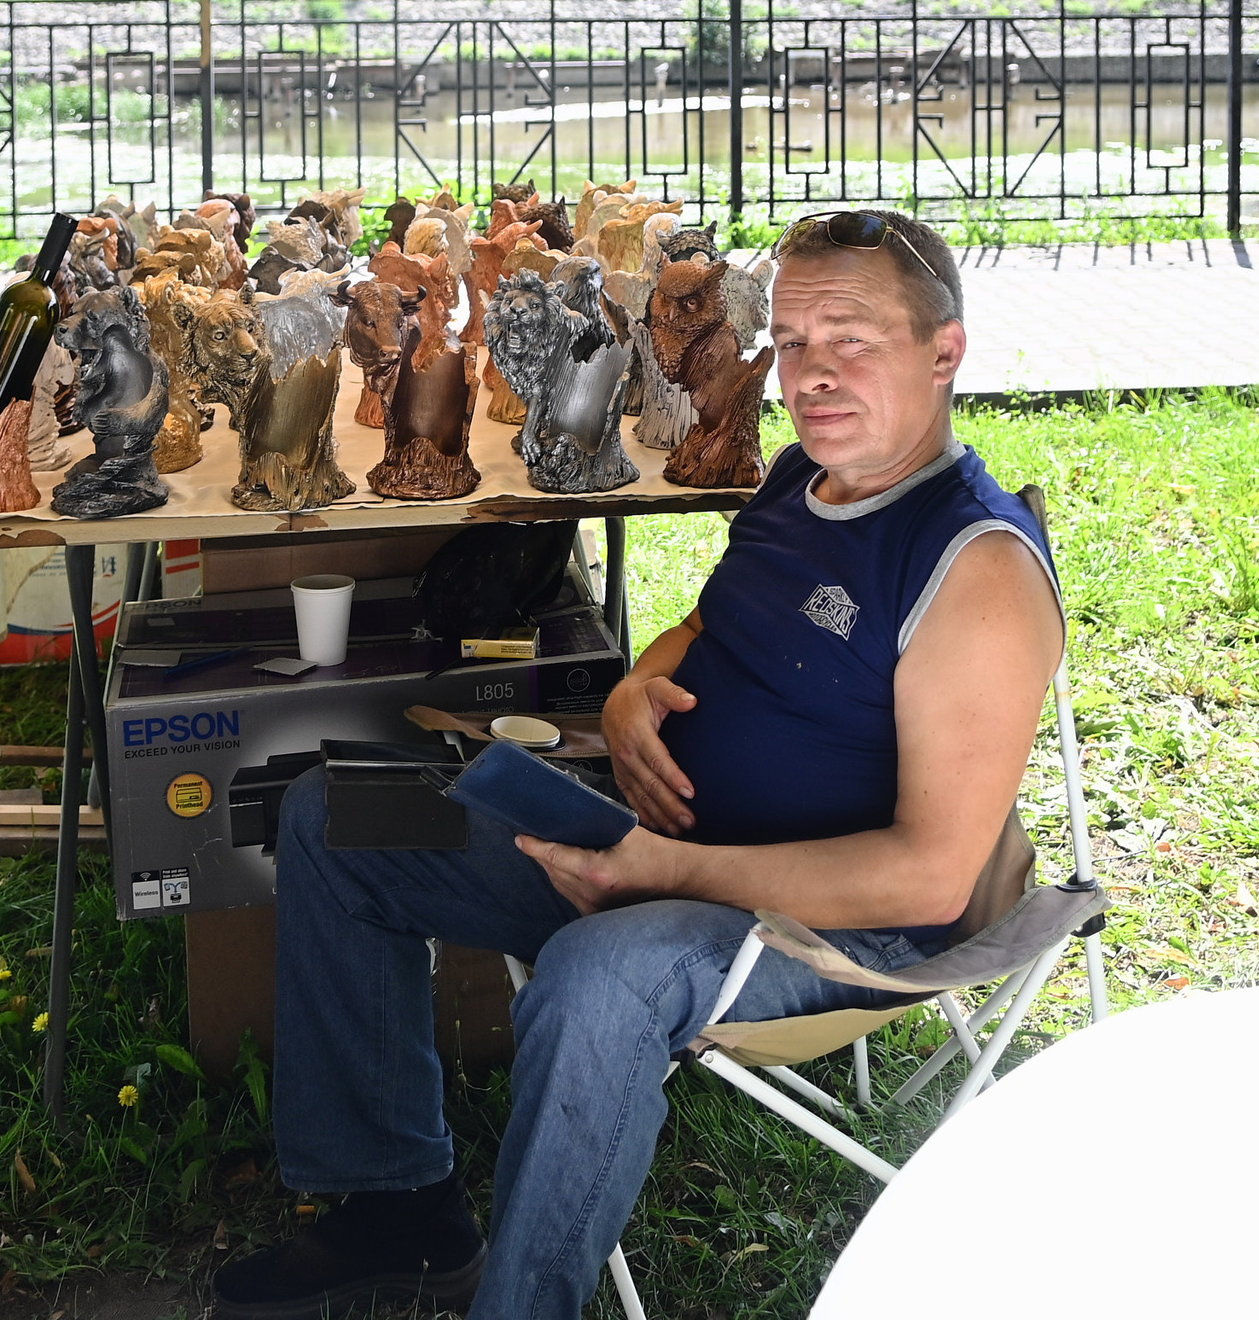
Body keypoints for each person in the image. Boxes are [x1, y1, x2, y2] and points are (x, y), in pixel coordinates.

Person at [210, 208, 1067, 1320]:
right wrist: (626, 696)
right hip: (646, 850)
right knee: (338, 811)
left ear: (943, 351)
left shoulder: (975, 569)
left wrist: (666, 872)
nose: (810, 373)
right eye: (794, 339)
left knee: (601, 978)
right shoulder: (799, 482)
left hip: (810, 926)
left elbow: (926, 880)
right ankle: (396, 1211)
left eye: (851, 338)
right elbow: (705, 634)